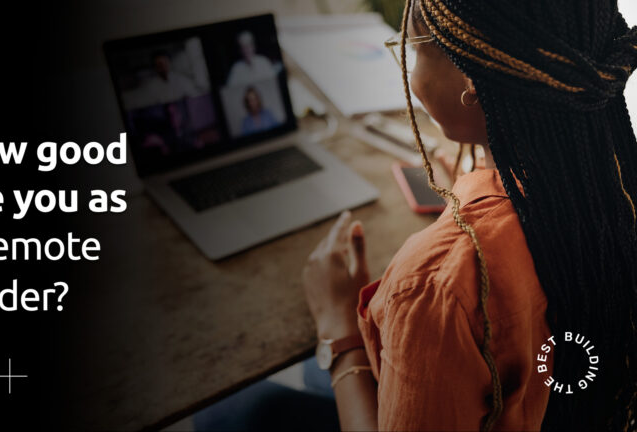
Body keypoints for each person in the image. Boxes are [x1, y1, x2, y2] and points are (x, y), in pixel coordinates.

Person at [195, 0, 636, 431]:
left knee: (240, 411)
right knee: (314, 375)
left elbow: (450, 296)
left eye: (414, 49)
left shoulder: (435, 287)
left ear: (470, 78)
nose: (409, 70)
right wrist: (479, 213)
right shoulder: (614, 182)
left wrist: (339, 330)